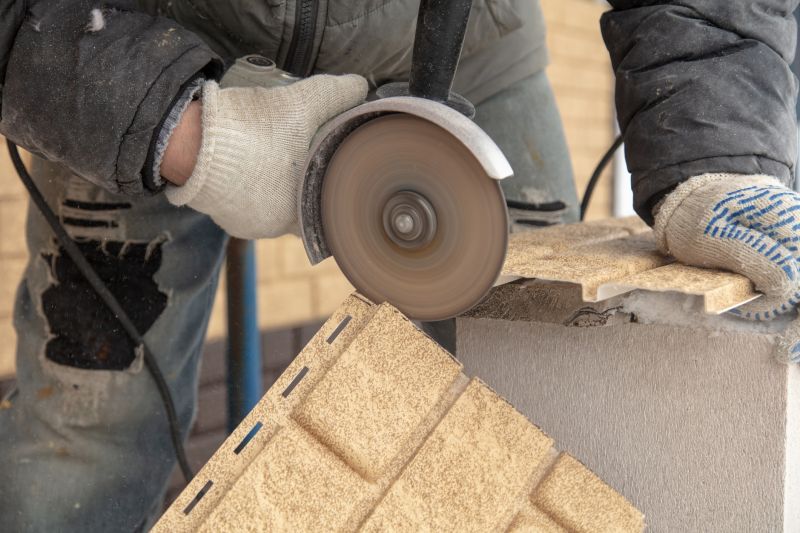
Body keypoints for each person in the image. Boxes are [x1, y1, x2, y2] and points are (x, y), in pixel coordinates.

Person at [0, 0, 797, 530]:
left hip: (468, 45)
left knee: (546, 374)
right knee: (86, 440)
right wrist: (182, 131)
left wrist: (715, 148)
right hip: (120, 43)